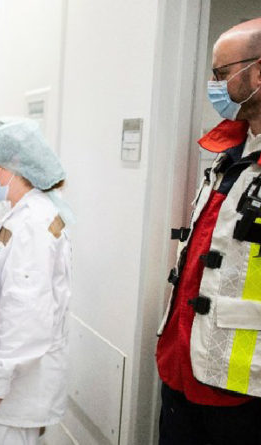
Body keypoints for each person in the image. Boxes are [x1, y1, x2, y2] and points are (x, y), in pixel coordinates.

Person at [156, 18, 261, 445]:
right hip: (186, 367)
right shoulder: (229, 154)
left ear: (257, 73)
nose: (214, 85)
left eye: (221, 73)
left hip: (243, 390)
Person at [0, 119, 73, 445]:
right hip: (10, 380)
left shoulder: (32, 224)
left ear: (11, 169)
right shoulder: (21, 213)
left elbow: (25, 308)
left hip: (16, 385)